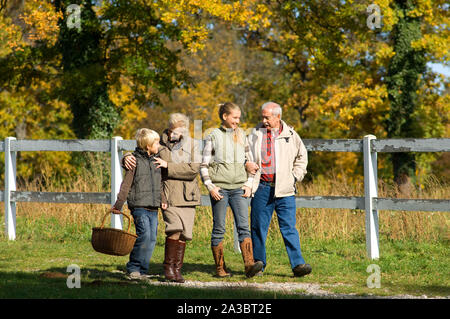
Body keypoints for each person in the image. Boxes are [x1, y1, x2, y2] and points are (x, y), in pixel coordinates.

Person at [123, 113, 201, 283]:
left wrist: (169, 166)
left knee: (184, 234)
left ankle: (176, 269)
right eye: (171, 130)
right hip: (167, 193)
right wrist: (126, 157)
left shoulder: (193, 145)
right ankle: (168, 269)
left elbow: (194, 169)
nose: (173, 134)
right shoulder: (160, 143)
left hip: (187, 194)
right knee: (174, 229)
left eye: (177, 131)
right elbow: (143, 151)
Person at [243, 102, 312, 277]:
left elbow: (302, 157)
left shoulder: (291, 135)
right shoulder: (254, 134)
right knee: (258, 227)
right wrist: (246, 163)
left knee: (289, 227)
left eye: (267, 117)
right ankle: (258, 265)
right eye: (263, 116)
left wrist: (295, 176)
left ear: (278, 117)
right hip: (262, 187)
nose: (264, 120)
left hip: (285, 190)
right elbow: (244, 154)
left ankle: (298, 265)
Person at [200, 102, 263, 278]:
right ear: (225, 117)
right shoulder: (213, 136)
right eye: (235, 117)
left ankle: (249, 265)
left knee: (244, 227)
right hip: (220, 189)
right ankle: (220, 268)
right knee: (219, 228)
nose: (238, 121)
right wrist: (211, 187)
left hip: (239, 189)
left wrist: (249, 184)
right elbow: (203, 165)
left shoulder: (242, 135)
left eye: (239, 118)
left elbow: (250, 164)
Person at [111, 128, 167, 279]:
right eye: (156, 142)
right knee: (144, 235)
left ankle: (143, 270)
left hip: (153, 207)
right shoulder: (134, 161)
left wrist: (163, 200)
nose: (159, 145)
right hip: (139, 206)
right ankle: (133, 267)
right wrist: (118, 204)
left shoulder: (156, 161)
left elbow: (159, 183)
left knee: (152, 238)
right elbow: (126, 185)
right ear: (148, 145)